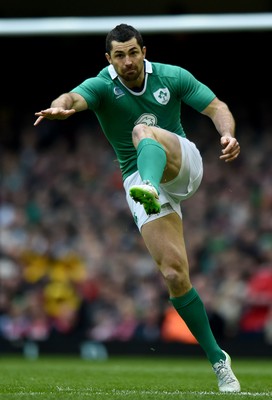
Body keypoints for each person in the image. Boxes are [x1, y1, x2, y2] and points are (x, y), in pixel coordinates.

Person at [34, 23, 241, 392]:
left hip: (180, 165)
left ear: (144, 51)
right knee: (175, 275)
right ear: (109, 59)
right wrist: (59, 107)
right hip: (140, 182)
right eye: (119, 55)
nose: (128, 61)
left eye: (133, 52)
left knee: (142, 132)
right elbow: (71, 97)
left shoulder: (171, 76)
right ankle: (219, 360)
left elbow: (217, 107)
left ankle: (148, 183)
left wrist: (227, 133)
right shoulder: (102, 85)